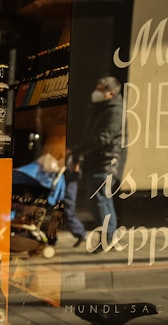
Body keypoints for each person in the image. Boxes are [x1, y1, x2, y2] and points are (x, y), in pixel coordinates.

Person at [66, 76, 124, 249]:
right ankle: (109, 237)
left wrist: (77, 151)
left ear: (110, 93)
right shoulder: (100, 108)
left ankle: (107, 238)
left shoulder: (114, 111)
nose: (96, 93)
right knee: (101, 201)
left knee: (100, 201)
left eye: (100, 90)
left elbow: (102, 138)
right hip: (96, 161)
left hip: (105, 163)